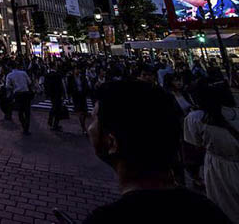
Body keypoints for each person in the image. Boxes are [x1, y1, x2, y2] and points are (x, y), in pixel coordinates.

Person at [83, 80, 230, 223]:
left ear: (112, 142)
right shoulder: (210, 211)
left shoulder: (104, 219)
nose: (90, 128)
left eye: (94, 119)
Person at [184, 81, 239, 222]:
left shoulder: (196, 118)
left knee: (225, 204)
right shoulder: (233, 112)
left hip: (218, 165)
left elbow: (194, 144)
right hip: (228, 161)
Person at [5, 63, 32, 135]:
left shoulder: (9, 75)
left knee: (20, 112)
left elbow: (7, 86)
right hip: (26, 93)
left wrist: (14, 87)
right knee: (27, 112)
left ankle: (24, 126)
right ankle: (27, 128)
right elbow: (29, 82)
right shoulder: (23, 73)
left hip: (17, 94)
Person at [67, 65, 89, 135]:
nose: (77, 71)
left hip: (82, 95)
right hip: (76, 96)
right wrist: (69, 96)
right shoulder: (70, 78)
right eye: (76, 69)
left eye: (78, 69)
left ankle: (83, 126)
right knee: (80, 112)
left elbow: (86, 85)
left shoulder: (82, 77)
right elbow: (69, 87)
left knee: (85, 112)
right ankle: (84, 128)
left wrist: (86, 91)